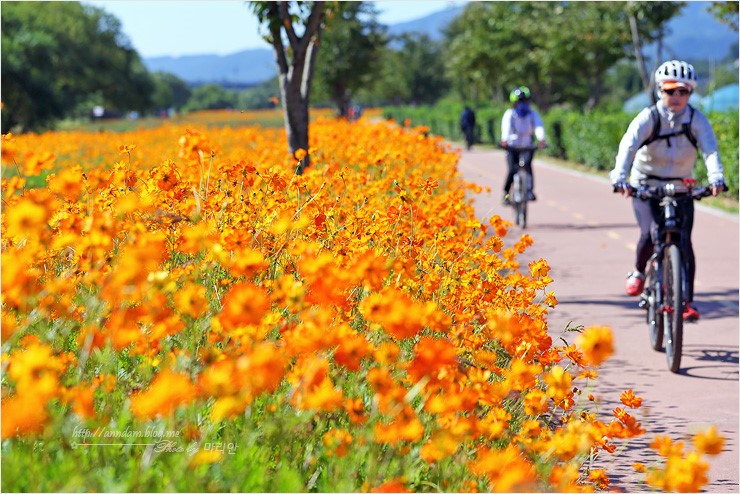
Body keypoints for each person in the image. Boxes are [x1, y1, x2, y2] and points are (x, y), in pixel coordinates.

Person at [610, 59, 725, 321]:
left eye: (683, 91)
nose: (676, 97)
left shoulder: (696, 119)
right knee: (650, 234)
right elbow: (628, 146)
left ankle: (687, 302)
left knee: (684, 241)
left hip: (681, 185)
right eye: (670, 90)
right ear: (660, 90)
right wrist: (619, 177)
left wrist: (716, 178)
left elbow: (710, 150)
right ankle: (639, 272)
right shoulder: (649, 117)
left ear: (690, 93)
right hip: (646, 183)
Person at [500, 86, 546, 204]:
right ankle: (505, 192)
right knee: (511, 169)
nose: (523, 104)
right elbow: (506, 128)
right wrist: (505, 140)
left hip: (527, 146)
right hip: (512, 146)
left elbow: (538, 126)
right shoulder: (510, 114)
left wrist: (541, 139)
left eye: (525, 101)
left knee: (528, 167)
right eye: (520, 101)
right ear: (514, 102)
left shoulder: (532, 114)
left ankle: (529, 191)